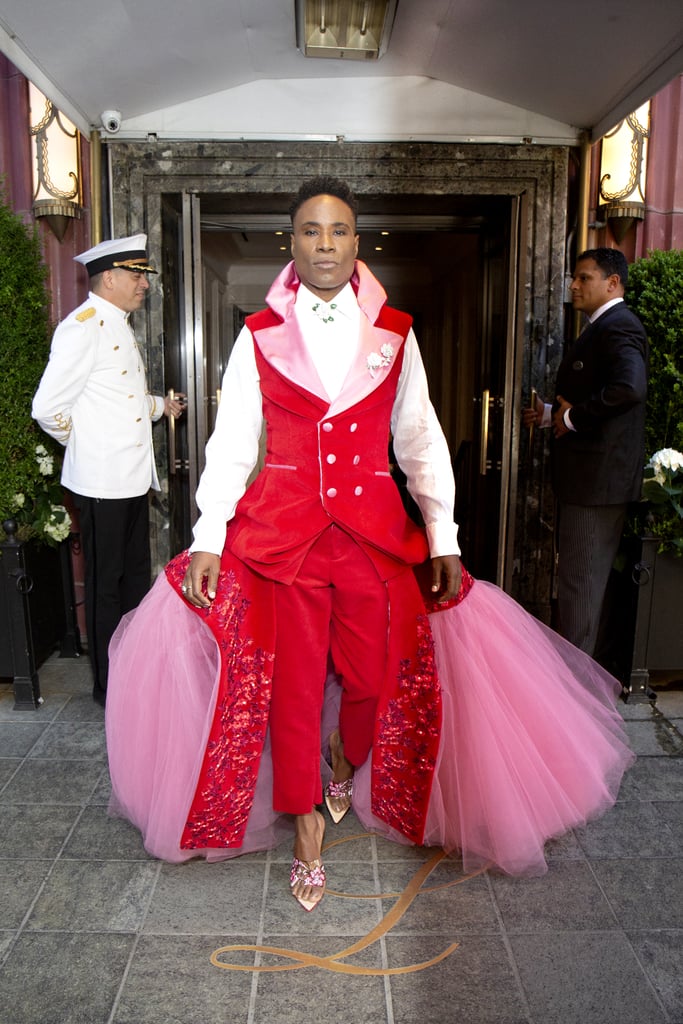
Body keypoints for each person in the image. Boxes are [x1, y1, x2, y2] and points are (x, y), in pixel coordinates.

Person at [105, 186, 634, 911]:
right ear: (290, 245)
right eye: (310, 232)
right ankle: (305, 829)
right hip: (282, 537)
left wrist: (440, 533)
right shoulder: (257, 333)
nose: (324, 243)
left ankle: (344, 761)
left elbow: (417, 436)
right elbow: (231, 443)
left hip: (374, 538)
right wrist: (207, 534)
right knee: (291, 690)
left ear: (356, 245)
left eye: (339, 232)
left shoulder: (394, 329)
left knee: (372, 679)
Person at [32, 234, 186, 707]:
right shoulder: (82, 328)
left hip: (132, 479)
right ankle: (108, 686)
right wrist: (87, 445)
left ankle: (135, 668)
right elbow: (47, 407)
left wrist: (161, 405)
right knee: (106, 588)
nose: (144, 284)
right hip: (101, 481)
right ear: (110, 278)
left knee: (135, 581)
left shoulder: (116, 324)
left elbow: (116, 399)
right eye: (137, 275)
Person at [524, 247, 647, 657]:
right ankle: (576, 693)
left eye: (584, 278)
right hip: (591, 482)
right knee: (581, 586)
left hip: (596, 486)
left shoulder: (618, 325)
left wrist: (574, 417)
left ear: (613, 283)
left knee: (580, 590)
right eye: (574, 277)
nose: (573, 286)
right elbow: (598, 392)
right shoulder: (603, 326)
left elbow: (629, 388)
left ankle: (575, 701)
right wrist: (550, 415)